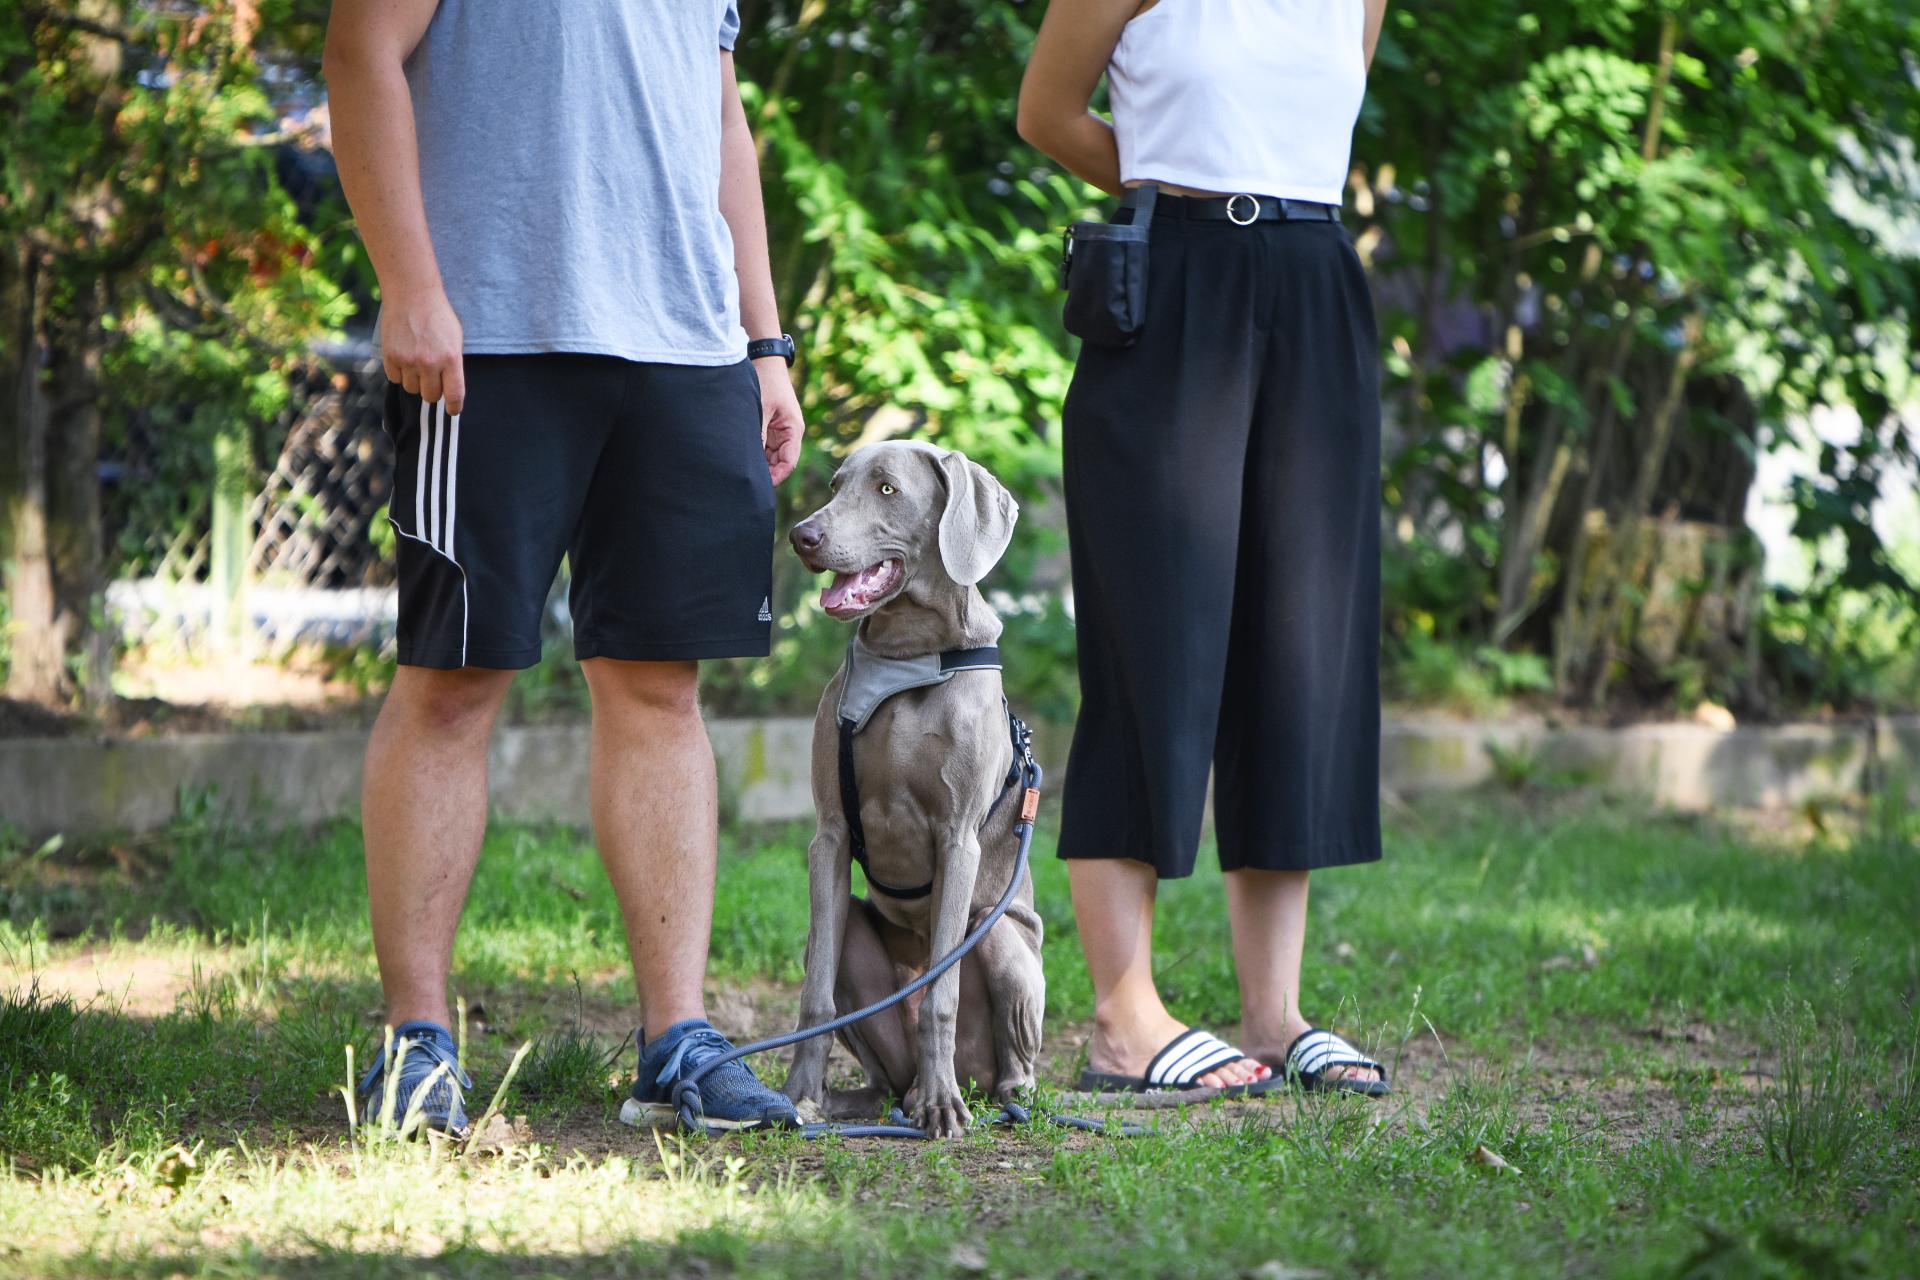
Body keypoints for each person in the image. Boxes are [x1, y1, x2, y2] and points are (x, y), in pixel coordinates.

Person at [324, 0, 806, 1132]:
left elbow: (719, 116)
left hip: (685, 343)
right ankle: (416, 1042)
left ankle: (677, 1041)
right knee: (452, 680)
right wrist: (409, 283)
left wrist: (763, 341)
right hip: (487, 336)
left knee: (660, 684)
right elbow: (359, 54)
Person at [1017, 0, 1393, 1095]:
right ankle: (1124, 1017)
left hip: (1316, 284)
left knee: (1298, 647)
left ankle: (1275, 1014)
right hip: (1175, 282)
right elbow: (1048, 113)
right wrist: (1171, 183)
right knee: (1155, 639)